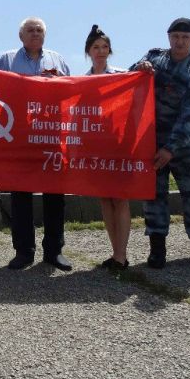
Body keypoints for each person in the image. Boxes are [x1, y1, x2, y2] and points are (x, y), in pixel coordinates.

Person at [130, 18, 190, 272]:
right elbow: (128, 81)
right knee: (153, 197)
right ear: (169, 37)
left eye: (185, 38)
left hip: (183, 146)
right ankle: (157, 250)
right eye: (175, 36)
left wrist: (170, 148)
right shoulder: (154, 59)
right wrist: (139, 66)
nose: (180, 42)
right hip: (151, 142)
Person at [0, 17, 72, 271]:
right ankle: (24, 251)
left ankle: (54, 251)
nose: (35, 34)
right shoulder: (6, 60)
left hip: (51, 136)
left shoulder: (58, 60)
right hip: (19, 137)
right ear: (20, 35)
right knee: (21, 196)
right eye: (30, 30)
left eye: (39, 30)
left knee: (54, 195)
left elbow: (70, 95)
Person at [84, 25, 131, 270]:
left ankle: (122, 255)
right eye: (96, 47)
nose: (101, 51)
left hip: (119, 145)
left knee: (120, 199)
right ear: (88, 51)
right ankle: (115, 253)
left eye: (104, 47)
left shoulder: (123, 76)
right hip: (96, 146)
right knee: (105, 199)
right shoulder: (82, 81)